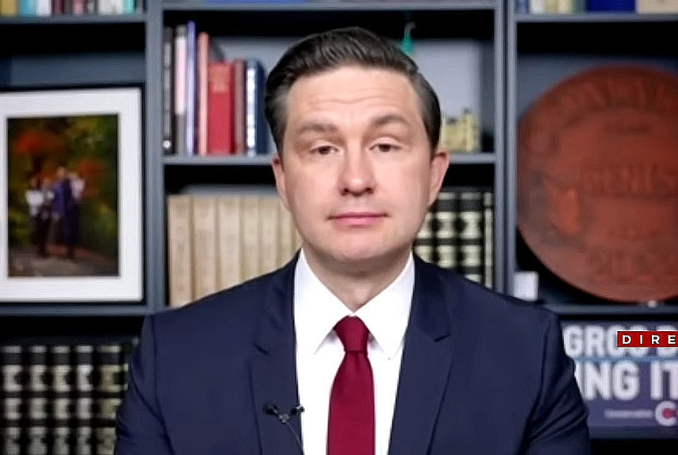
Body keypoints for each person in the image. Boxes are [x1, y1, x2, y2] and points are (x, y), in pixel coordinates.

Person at [115, 27, 592, 454]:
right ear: (283, 180)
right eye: (323, 148)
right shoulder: (174, 356)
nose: (356, 180)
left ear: (434, 175)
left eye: (384, 145)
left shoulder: (526, 352)